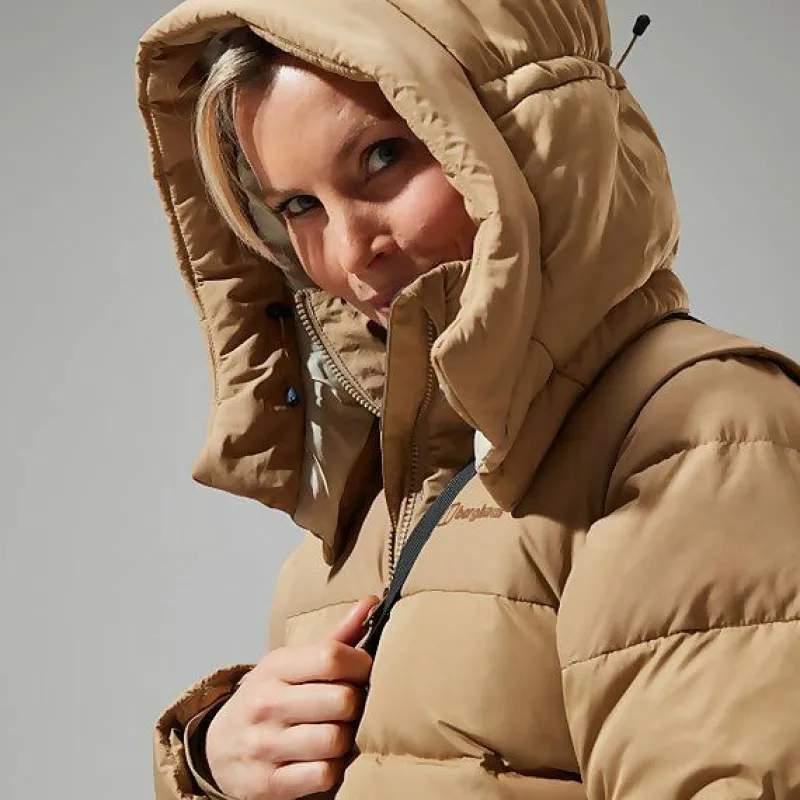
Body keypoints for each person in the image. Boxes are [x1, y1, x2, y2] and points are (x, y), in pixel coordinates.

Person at [136, 2, 800, 799]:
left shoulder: (702, 437)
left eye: (383, 157)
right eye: (298, 207)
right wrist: (215, 763)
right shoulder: (368, 510)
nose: (350, 253)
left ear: (535, 134)